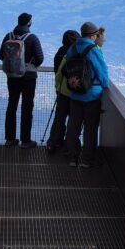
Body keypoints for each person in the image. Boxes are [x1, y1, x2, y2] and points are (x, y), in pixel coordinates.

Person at [58, 21, 109, 167]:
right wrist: (103, 85)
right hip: (92, 94)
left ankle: (73, 157)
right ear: (93, 36)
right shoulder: (93, 50)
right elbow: (103, 73)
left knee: (73, 126)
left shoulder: (73, 47)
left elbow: (66, 68)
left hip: (75, 93)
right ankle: (87, 159)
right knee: (90, 128)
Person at [0, 12, 44, 147]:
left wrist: (14, 65)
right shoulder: (32, 38)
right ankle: (26, 140)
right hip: (29, 77)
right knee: (27, 107)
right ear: (29, 22)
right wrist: (29, 65)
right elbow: (40, 58)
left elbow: (1, 55)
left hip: (12, 76)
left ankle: (10, 139)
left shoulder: (9, 36)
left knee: (11, 105)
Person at [46, 29, 80, 153]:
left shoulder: (60, 52)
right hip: (76, 91)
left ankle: (53, 142)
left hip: (62, 90)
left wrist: (58, 86)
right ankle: (70, 146)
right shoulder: (77, 52)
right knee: (74, 119)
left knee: (59, 117)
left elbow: (58, 72)